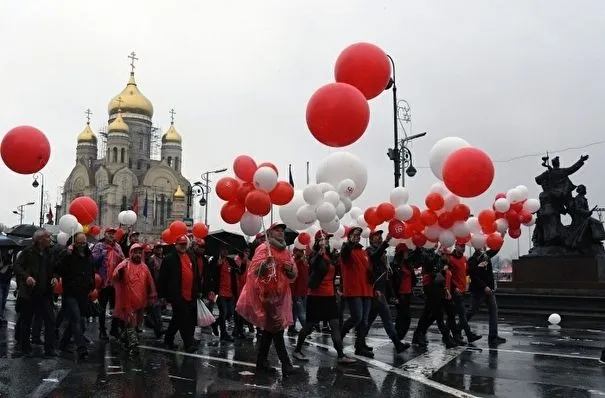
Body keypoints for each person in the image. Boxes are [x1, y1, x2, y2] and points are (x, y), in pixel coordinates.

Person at [236, 223, 299, 376]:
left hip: (280, 296)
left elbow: (292, 273)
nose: (281, 232)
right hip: (267, 295)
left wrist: (290, 271)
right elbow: (254, 272)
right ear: (270, 233)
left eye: (283, 230)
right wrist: (264, 265)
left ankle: (261, 361)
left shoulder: (286, 251)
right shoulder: (264, 249)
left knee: (270, 330)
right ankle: (286, 364)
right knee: (277, 328)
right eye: (278, 230)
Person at [292, 231, 355, 364]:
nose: (326, 242)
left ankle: (340, 355)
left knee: (335, 325)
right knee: (309, 326)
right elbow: (313, 264)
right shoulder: (314, 255)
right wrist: (318, 255)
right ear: (318, 241)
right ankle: (297, 350)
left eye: (327, 239)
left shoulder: (330, 256)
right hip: (315, 297)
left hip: (329, 296)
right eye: (324, 239)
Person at [13, 228, 58, 357]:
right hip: (30, 292)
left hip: (45, 293)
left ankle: (50, 349)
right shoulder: (28, 252)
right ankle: (25, 348)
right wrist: (26, 277)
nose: (50, 240)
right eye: (48, 238)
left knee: (50, 320)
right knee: (26, 320)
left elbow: (56, 268)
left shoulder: (50, 253)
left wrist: (56, 277)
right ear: (40, 240)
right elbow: (17, 266)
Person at [366, 230, 409, 354]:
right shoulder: (369, 251)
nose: (379, 238)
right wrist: (385, 243)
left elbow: (386, 277)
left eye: (380, 236)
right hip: (376, 292)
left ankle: (360, 342)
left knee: (372, 319)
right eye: (376, 237)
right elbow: (374, 258)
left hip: (381, 292)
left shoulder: (383, 254)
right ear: (371, 239)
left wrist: (392, 295)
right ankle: (396, 343)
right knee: (384, 319)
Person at [158, 235, 201, 353]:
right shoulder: (169, 259)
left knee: (177, 319)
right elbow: (162, 279)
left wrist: (198, 291)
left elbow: (195, 275)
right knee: (184, 320)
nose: (182, 246)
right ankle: (188, 344)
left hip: (190, 294)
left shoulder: (191, 256)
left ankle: (168, 339)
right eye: (180, 244)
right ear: (176, 245)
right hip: (177, 295)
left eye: (184, 244)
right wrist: (162, 295)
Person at [56, 232, 94, 359]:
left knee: (76, 321)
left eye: (84, 243)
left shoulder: (88, 255)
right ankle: (82, 348)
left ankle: (63, 343)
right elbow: (58, 268)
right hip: (70, 293)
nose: (82, 245)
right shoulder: (69, 255)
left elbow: (91, 271)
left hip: (83, 293)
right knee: (77, 319)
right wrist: (66, 254)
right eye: (79, 243)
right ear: (74, 242)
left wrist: (91, 285)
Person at [113, 243, 157, 354]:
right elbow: (114, 277)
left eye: (139, 253)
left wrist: (152, 294)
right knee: (130, 322)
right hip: (128, 299)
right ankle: (132, 345)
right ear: (131, 253)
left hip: (140, 299)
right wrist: (119, 273)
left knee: (137, 322)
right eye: (135, 252)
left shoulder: (144, 266)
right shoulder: (125, 264)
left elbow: (150, 281)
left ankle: (123, 337)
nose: (138, 254)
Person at [339, 226, 374, 358]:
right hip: (354, 290)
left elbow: (368, 268)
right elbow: (345, 254)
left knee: (364, 321)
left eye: (359, 235)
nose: (357, 236)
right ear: (349, 236)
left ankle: (360, 346)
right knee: (357, 317)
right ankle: (340, 334)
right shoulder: (347, 249)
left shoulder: (363, 252)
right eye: (354, 234)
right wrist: (350, 243)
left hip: (367, 289)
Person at [466, 248, 506, 346]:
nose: (483, 248)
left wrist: (502, 235)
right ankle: (457, 328)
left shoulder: (486, 256)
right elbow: (473, 276)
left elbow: (495, 249)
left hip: (489, 290)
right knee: (472, 311)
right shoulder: (472, 259)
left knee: (493, 310)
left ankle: (493, 336)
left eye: (484, 246)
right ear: (476, 247)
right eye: (480, 246)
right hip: (479, 290)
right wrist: (484, 286)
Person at [92, 227, 125, 340]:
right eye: (109, 233)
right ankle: (102, 330)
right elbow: (93, 261)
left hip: (115, 283)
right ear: (105, 234)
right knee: (102, 307)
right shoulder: (99, 246)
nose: (112, 235)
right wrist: (103, 254)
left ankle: (114, 328)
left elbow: (123, 261)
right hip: (103, 282)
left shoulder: (118, 247)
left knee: (116, 307)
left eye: (113, 234)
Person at [447, 243, 481, 345]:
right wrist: (453, 288)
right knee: (462, 314)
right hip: (455, 292)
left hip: (462, 291)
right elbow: (449, 276)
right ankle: (469, 335)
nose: (463, 248)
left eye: (464, 247)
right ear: (456, 246)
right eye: (461, 246)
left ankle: (448, 334)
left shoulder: (464, 259)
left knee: (452, 315)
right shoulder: (451, 259)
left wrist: (478, 266)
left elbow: (466, 272)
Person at [209, 244, 241, 342]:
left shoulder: (230, 261)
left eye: (226, 250)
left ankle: (215, 323)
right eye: (223, 249)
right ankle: (224, 334)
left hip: (230, 293)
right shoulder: (214, 260)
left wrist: (242, 263)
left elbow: (239, 271)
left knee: (229, 313)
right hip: (220, 292)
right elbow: (210, 273)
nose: (225, 252)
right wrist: (217, 266)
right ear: (219, 250)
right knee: (223, 313)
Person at [288, 246, 308, 336]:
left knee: (295, 311)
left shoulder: (303, 263)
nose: (302, 252)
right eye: (300, 251)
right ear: (295, 252)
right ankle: (307, 328)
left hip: (302, 291)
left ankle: (291, 327)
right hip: (297, 292)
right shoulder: (296, 263)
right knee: (300, 313)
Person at [0, 249, 13, 325]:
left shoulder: (11, 255)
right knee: (1, 299)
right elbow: (2, 269)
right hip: (1, 280)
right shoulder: (4, 255)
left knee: (4, 300)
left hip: (7, 280)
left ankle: (1, 315)